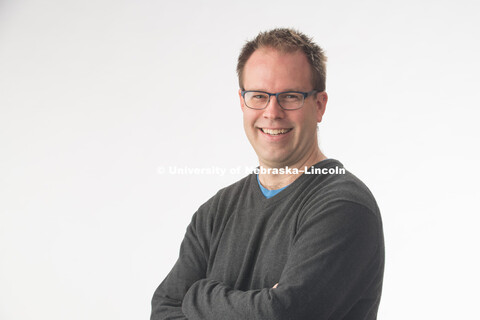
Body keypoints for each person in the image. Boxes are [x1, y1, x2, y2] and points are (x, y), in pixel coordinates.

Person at [151, 28, 385, 320]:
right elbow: (163, 310)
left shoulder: (343, 207)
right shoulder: (214, 213)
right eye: (259, 96)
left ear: (319, 105)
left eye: (290, 96)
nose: (272, 112)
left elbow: (281, 315)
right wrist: (261, 304)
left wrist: (199, 296)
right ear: (242, 101)